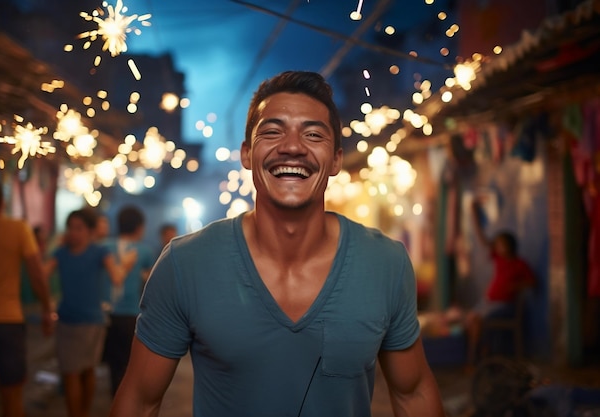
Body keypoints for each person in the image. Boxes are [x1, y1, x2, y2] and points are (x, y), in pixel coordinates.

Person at [110, 71, 444, 417]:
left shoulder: (384, 263)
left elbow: (414, 392)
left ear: (335, 160)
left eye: (313, 134)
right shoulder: (185, 263)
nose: (293, 147)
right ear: (247, 153)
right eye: (272, 132)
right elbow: (138, 400)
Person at [0, 179, 54, 417]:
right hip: (8, 321)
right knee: (12, 393)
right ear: (2, 201)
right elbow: (37, 274)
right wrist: (46, 309)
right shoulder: (18, 229)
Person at [45, 208, 135, 417]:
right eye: (70, 228)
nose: (74, 233)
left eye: (79, 228)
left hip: (92, 323)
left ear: (90, 231)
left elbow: (116, 277)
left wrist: (126, 265)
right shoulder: (61, 253)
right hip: (68, 320)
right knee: (74, 373)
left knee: (83, 371)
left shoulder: (100, 252)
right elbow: (41, 276)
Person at [465, 198, 536, 365]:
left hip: (503, 306)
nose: (497, 247)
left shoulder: (519, 264)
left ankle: (476, 359)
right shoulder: (498, 259)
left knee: (476, 321)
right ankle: (479, 356)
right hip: (488, 302)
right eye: (496, 245)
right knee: (470, 320)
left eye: (500, 245)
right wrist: (474, 213)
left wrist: (516, 286)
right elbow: (482, 239)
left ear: (510, 246)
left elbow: (532, 282)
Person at [102, 205, 154, 397]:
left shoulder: (104, 247)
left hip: (105, 313)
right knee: (128, 364)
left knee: (112, 363)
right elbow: (150, 280)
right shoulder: (144, 251)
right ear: (139, 227)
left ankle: (114, 397)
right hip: (131, 314)